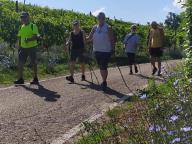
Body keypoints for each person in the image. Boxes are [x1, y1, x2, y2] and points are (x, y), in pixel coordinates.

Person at [87, 12, 115, 91]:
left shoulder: (108, 27)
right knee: (101, 67)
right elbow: (89, 38)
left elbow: (112, 39)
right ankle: (104, 80)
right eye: (99, 18)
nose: (100, 19)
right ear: (97, 19)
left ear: (104, 19)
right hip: (96, 50)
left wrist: (113, 49)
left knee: (103, 66)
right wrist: (81, 35)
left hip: (106, 51)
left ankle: (104, 82)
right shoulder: (94, 27)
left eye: (102, 18)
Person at [14, 12, 40, 85]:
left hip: (32, 47)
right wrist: (19, 46)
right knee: (20, 63)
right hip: (23, 48)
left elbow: (36, 36)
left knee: (34, 63)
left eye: (25, 17)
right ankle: (20, 79)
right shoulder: (21, 27)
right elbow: (19, 37)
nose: (23, 19)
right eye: (22, 17)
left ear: (28, 17)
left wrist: (28, 39)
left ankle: (35, 78)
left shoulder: (33, 26)